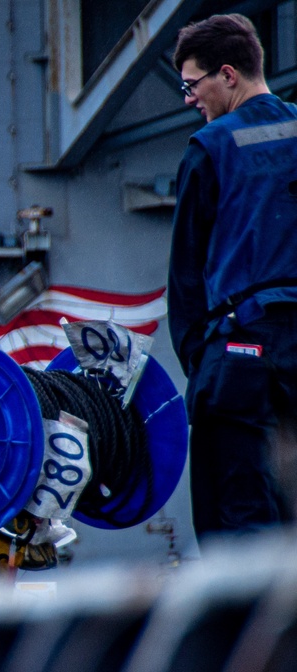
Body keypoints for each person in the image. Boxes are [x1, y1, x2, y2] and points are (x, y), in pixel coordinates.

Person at [168, 14, 297, 541]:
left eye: (191, 85)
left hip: (242, 355)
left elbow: (185, 274)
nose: (188, 99)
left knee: (234, 526)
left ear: (227, 75)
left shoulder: (212, 148)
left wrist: (199, 363)